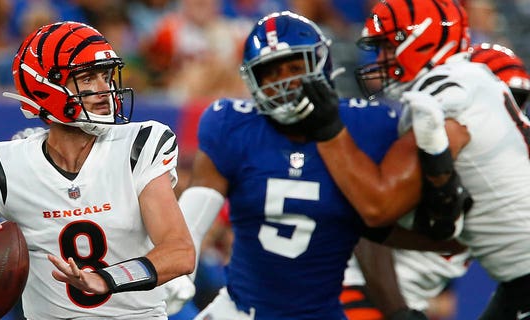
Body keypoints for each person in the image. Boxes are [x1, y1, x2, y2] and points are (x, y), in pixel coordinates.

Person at [165, 11, 468, 320]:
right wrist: (178, 268)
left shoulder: (368, 125)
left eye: (295, 68)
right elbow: (198, 207)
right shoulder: (232, 124)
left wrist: (397, 309)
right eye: (271, 73)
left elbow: (374, 224)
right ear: (253, 80)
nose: (285, 83)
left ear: (321, 65)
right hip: (240, 311)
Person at [0, 21, 195, 319]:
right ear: (44, 87)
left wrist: (107, 278)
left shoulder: (138, 146)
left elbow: (179, 252)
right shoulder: (7, 166)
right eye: (87, 79)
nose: (104, 90)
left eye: (106, 76)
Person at [302, 0, 530, 318]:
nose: (379, 60)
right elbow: (445, 236)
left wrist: (329, 131)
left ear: (419, 41)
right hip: (515, 281)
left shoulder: (439, 98)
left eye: (387, 47)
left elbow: (377, 208)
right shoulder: (474, 78)